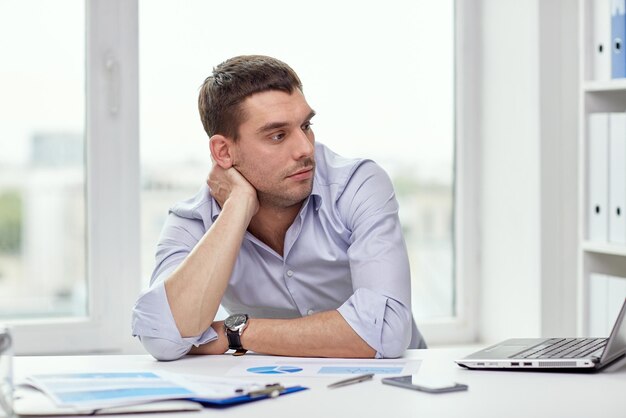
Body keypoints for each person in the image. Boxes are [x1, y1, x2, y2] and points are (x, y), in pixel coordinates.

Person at [132, 55, 426, 361]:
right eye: (278, 135)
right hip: (280, 390)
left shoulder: (358, 184)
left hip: (391, 387)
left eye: (306, 125)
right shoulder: (194, 219)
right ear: (223, 151)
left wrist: (236, 333)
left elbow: (387, 332)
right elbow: (163, 338)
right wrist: (238, 206)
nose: (305, 148)